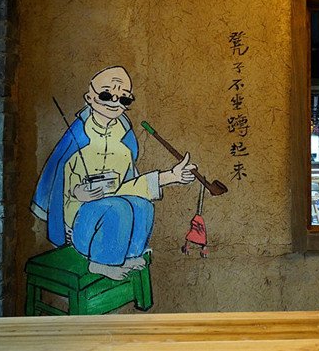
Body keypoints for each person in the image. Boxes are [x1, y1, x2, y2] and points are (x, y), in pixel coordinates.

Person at [31, 66, 196, 280]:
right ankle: (101, 263)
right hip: (79, 228)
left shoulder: (125, 139)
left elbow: (127, 187)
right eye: (106, 95)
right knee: (118, 208)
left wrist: (171, 176)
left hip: (113, 223)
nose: (114, 103)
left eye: (124, 99)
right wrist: (77, 193)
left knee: (142, 206)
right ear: (90, 98)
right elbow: (58, 187)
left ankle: (130, 254)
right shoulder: (77, 138)